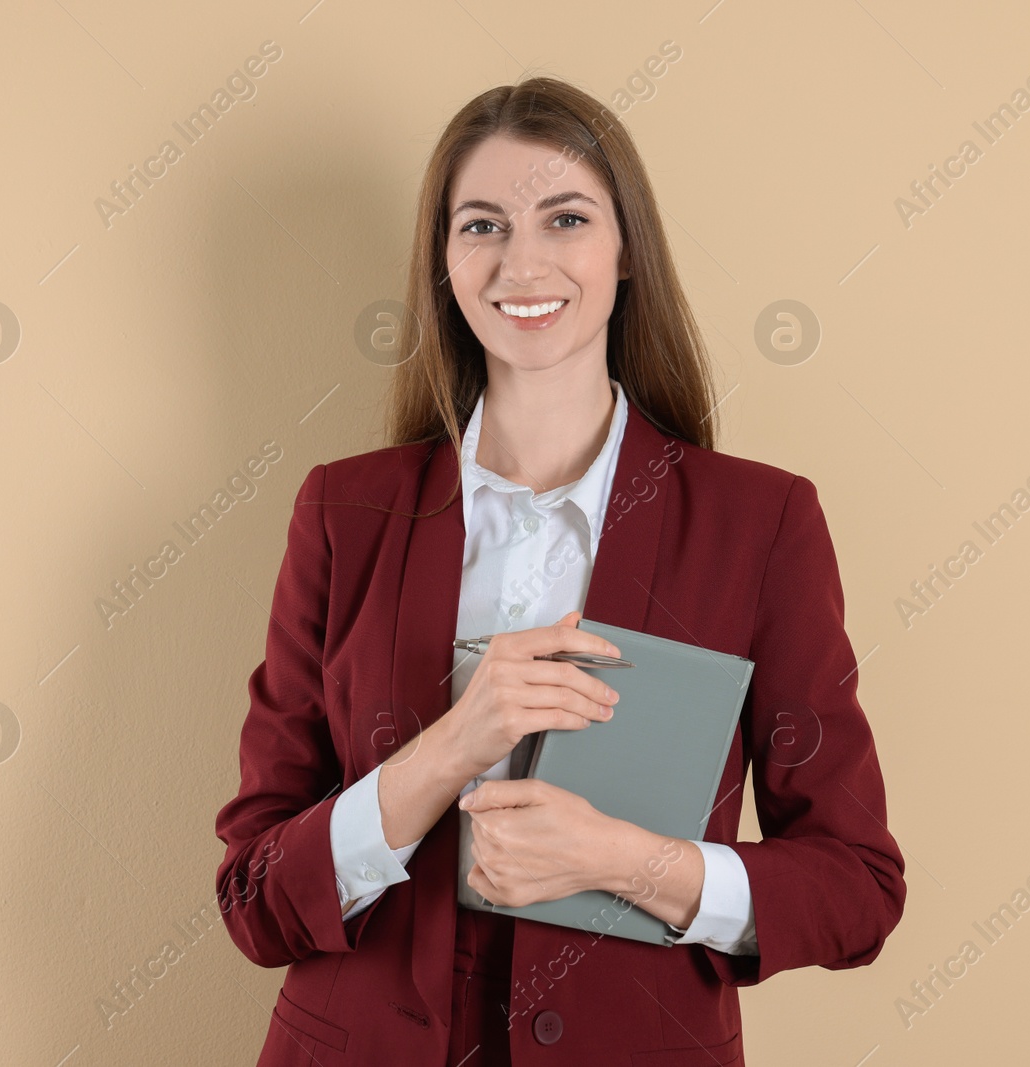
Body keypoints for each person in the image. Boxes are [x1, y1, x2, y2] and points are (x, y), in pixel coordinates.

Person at [214, 75, 906, 1066]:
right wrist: (449, 747)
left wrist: (627, 862)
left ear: (626, 254)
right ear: (443, 264)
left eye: (566, 218)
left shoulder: (761, 522)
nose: (521, 260)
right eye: (482, 225)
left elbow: (856, 889)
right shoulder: (342, 513)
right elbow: (255, 901)